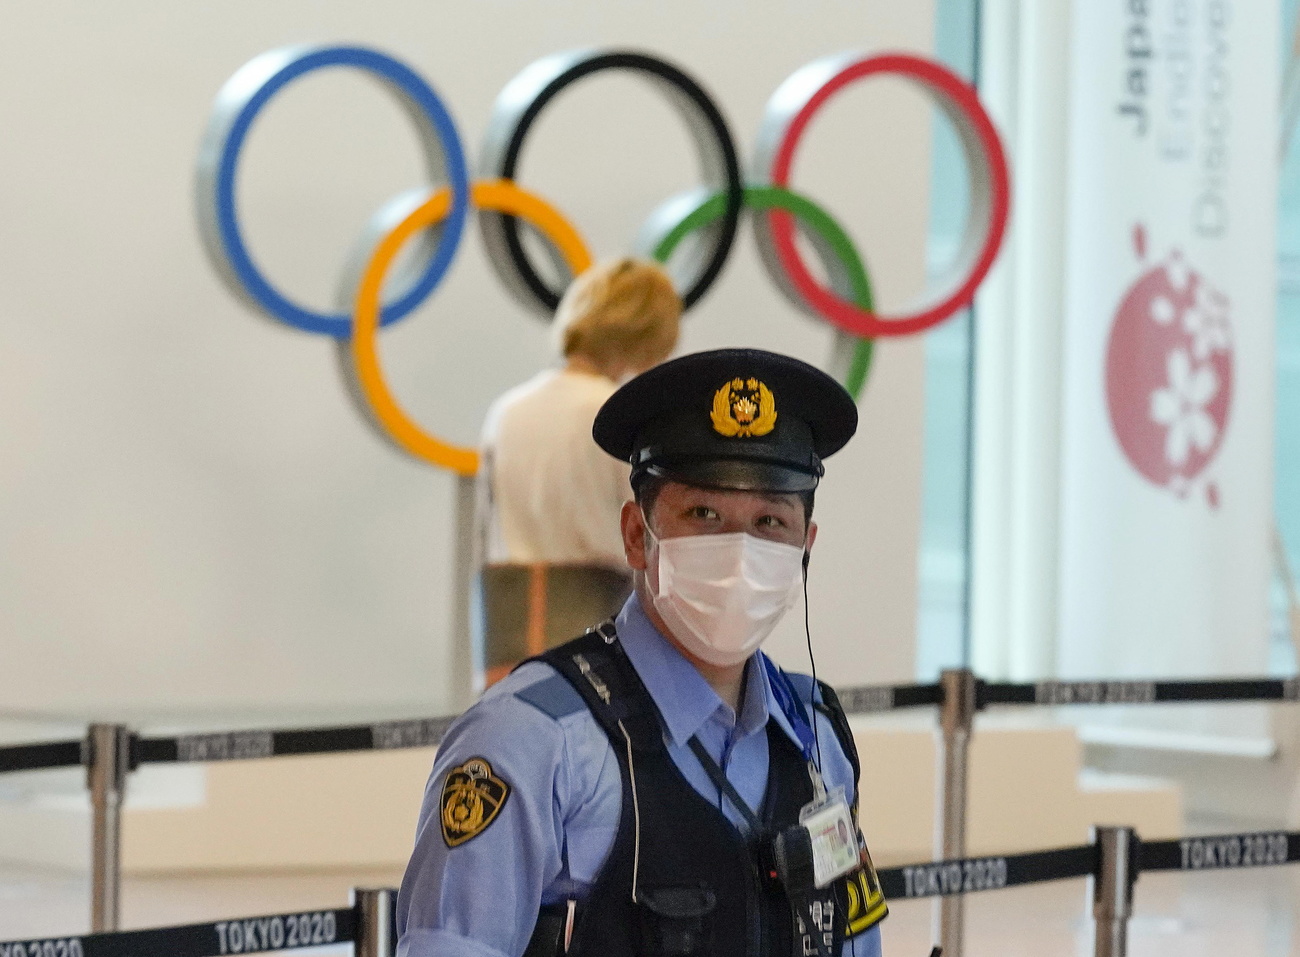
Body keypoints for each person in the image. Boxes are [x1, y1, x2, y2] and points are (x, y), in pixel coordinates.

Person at [400, 348, 887, 957]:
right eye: (703, 513)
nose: (739, 550)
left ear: (805, 546)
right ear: (637, 534)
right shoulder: (530, 740)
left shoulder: (816, 735)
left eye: (769, 523)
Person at [475, 258, 682, 683]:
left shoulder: (507, 411)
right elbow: (647, 532)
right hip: (597, 627)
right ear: (645, 335)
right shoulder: (615, 415)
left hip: (510, 634)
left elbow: (487, 531)